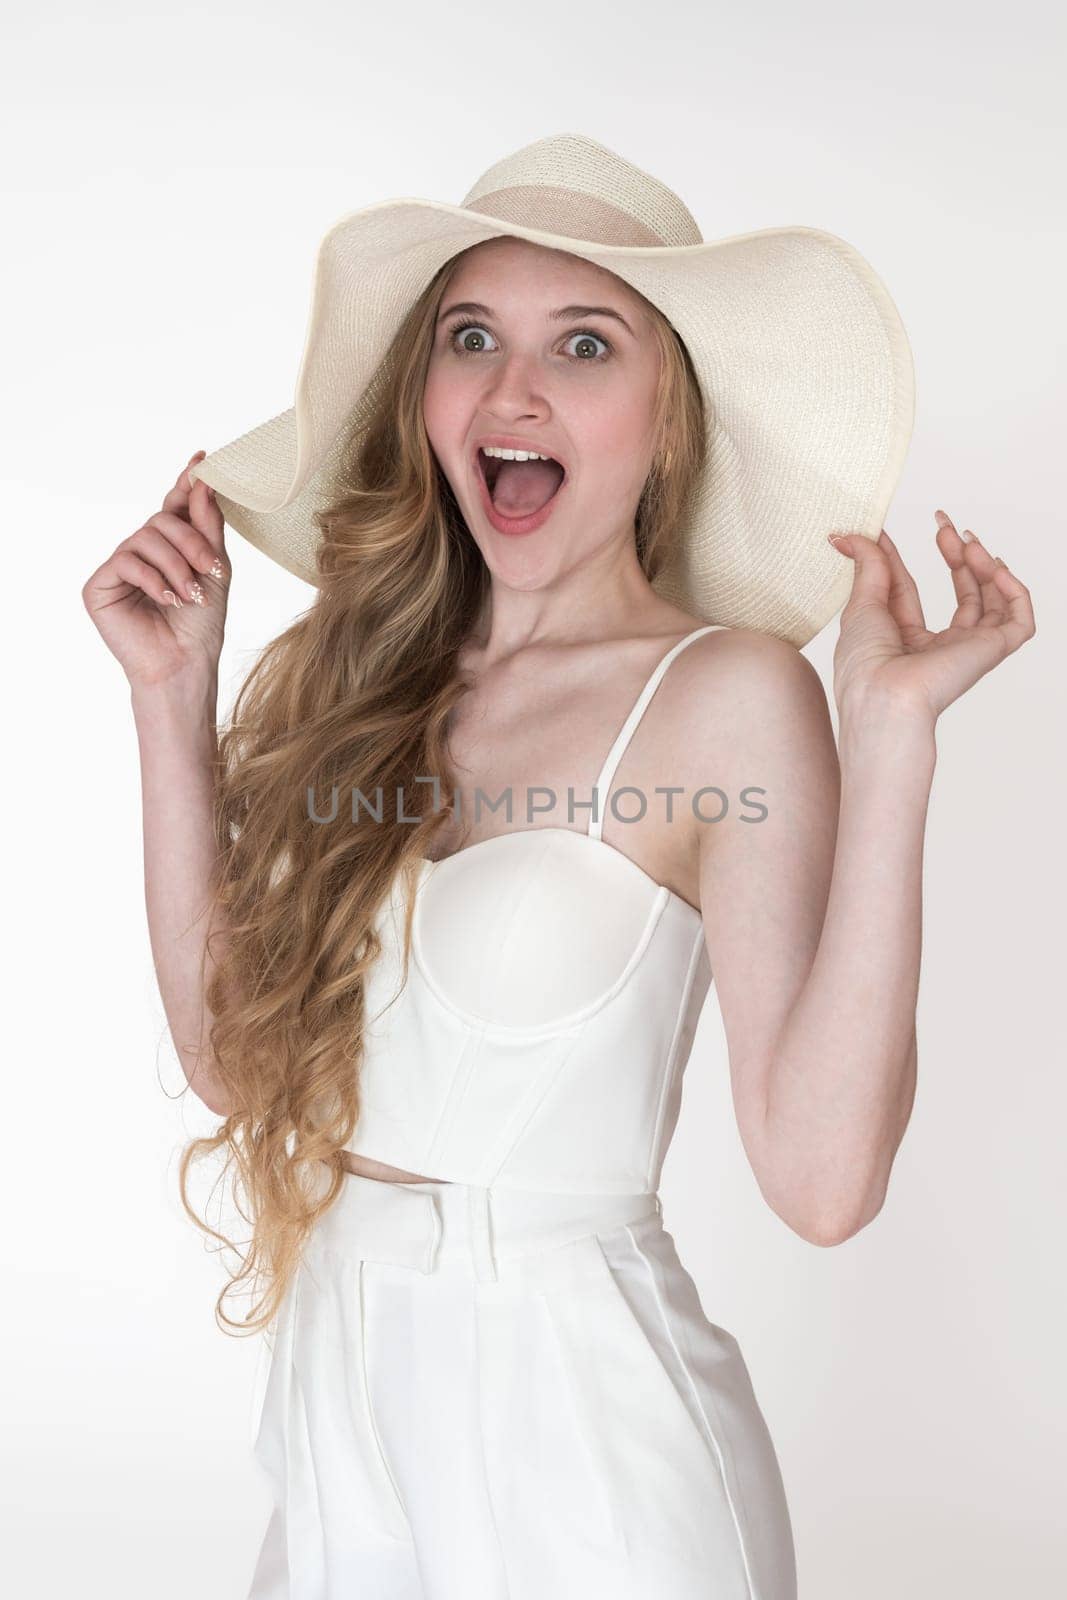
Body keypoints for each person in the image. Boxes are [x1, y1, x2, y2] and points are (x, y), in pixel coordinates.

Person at [81, 135, 1034, 1599]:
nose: (514, 391)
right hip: (341, 1412)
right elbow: (241, 1067)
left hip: (588, 1439)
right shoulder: (352, 678)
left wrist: (890, 731)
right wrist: (171, 705)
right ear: (428, 397)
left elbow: (825, 1181)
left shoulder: (724, 697)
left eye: (583, 344)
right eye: (474, 338)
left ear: (668, 422)